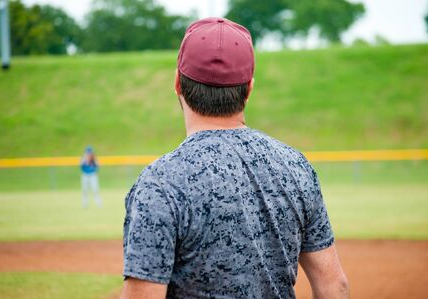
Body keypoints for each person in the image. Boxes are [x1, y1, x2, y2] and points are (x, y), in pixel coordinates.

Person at [121, 18, 349, 299]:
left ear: (178, 83)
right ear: (249, 88)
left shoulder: (160, 182)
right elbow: (334, 286)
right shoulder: (295, 166)